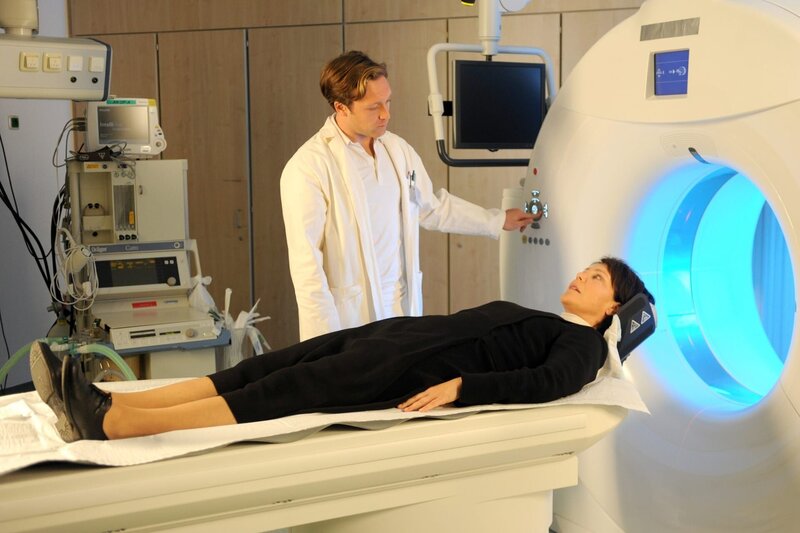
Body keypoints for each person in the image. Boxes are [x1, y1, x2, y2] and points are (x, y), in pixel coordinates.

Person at [31, 257, 654, 442]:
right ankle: (111, 400)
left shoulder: (582, 347)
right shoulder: (550, 318)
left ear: (613, 307)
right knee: (264, 366)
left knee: (282, 391)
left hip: (411, 366)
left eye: (597, 278)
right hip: (395, 337)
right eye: (587, 269)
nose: (581, 275)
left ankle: (115, 425)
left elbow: (547, 385)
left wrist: (465, 387)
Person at [280, 50, 535, 341]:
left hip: (401, 308)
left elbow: (431, 208)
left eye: (388, 102)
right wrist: (323, 346)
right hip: (350, 317)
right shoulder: (309, 167)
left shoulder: (397, 150)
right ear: (341, 107)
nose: (386, 114)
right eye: (374, 107)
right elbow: (307, 268)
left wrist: (497, 220)